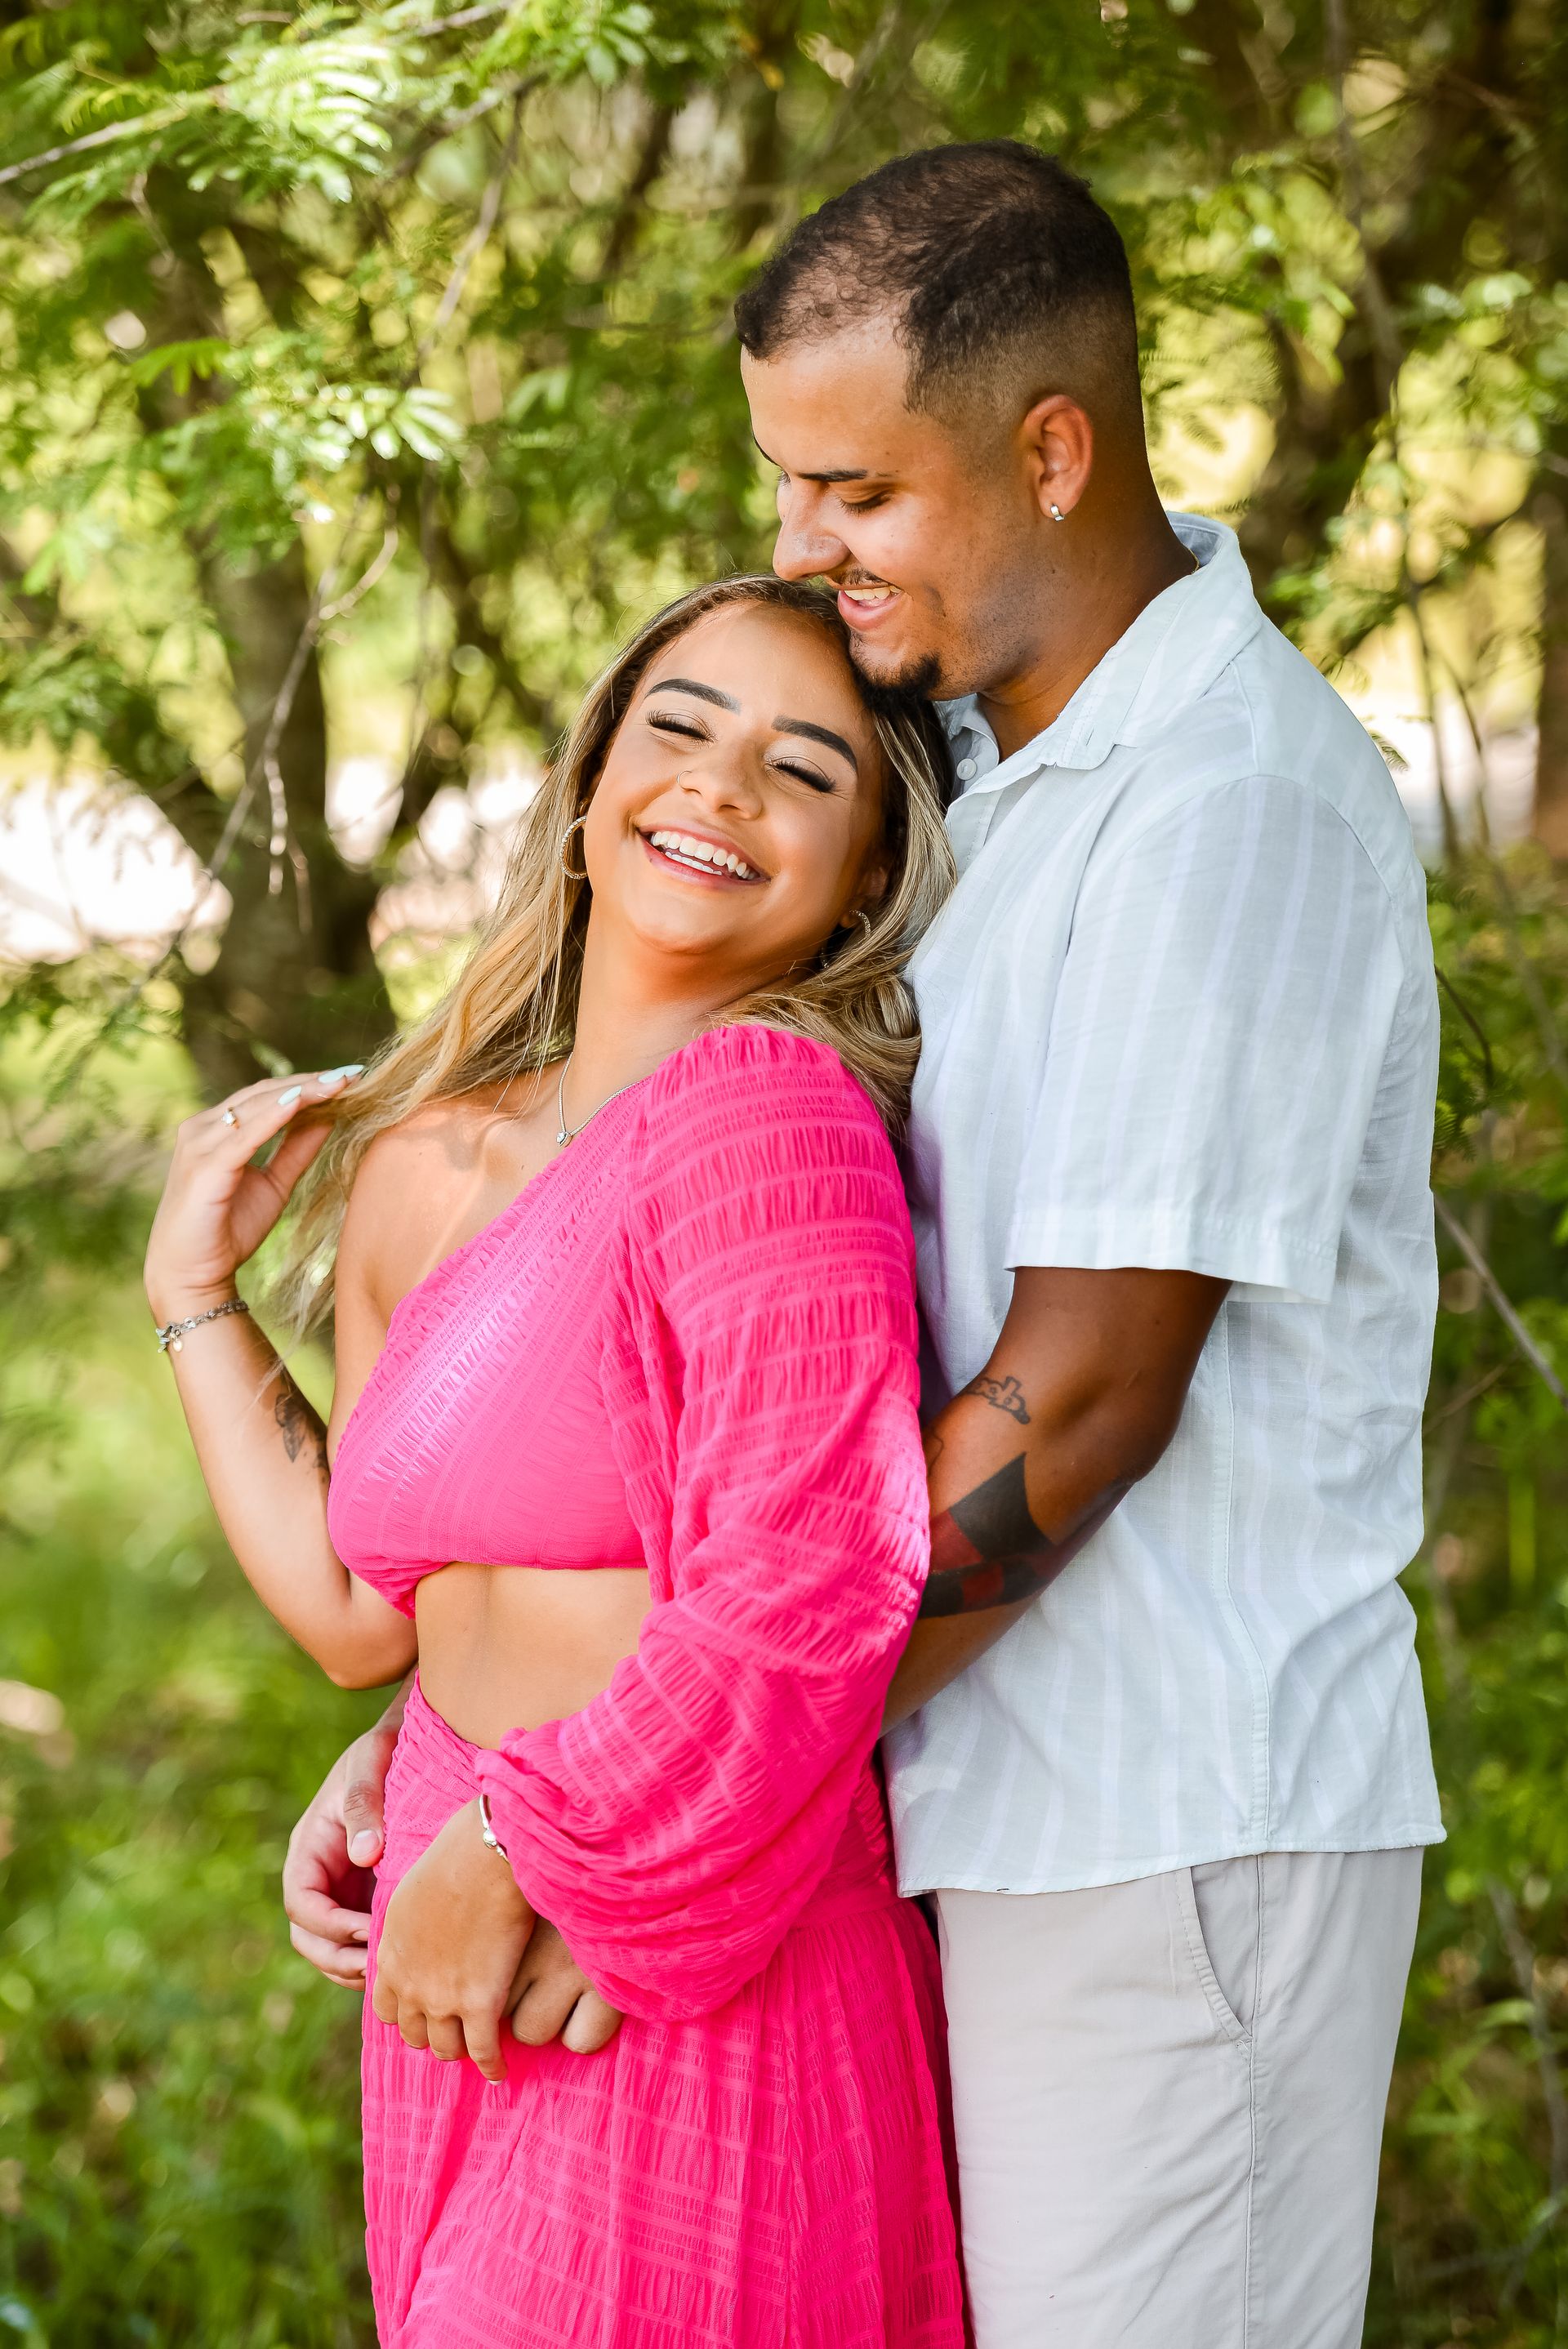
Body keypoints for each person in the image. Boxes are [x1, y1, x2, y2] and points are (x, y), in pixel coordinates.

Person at [287, 144, 1444, 2348]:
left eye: (853, 492)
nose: (801, 544)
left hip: (1163, 1822)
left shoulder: (1221, 803)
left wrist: (583, 1807)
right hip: (965, 1813)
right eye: (786, 485)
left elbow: (1079, 1402)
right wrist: (500, 1728)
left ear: (1051, 445)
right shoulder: (1020, 787)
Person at [145, 574, 969, 2347]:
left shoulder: (776, 1116)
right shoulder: (426, 1160)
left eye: (804, 770)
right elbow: (368, 1611)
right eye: (680, 727)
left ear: (867, 871)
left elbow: (816, 1580)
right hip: (454, 1929)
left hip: (670, 1937)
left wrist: (541, 1836)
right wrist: (195, 1296)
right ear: (595, 779)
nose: (722, 785)